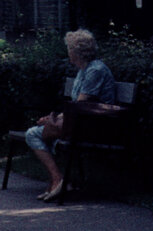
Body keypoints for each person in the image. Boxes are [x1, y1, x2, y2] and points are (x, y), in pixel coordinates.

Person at [25, 28, 117, 202]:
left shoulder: (95, 70)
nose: (68, 52)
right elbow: (76, 107)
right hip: (82, 122)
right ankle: (57, 181)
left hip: (95, 127)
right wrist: (53, 119)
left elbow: (79, 105)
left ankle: (58, 180)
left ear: (77, 52)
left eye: (69, 48)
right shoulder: (84, 70)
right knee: (40, 131)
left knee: (32, 134)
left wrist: (55, 120)